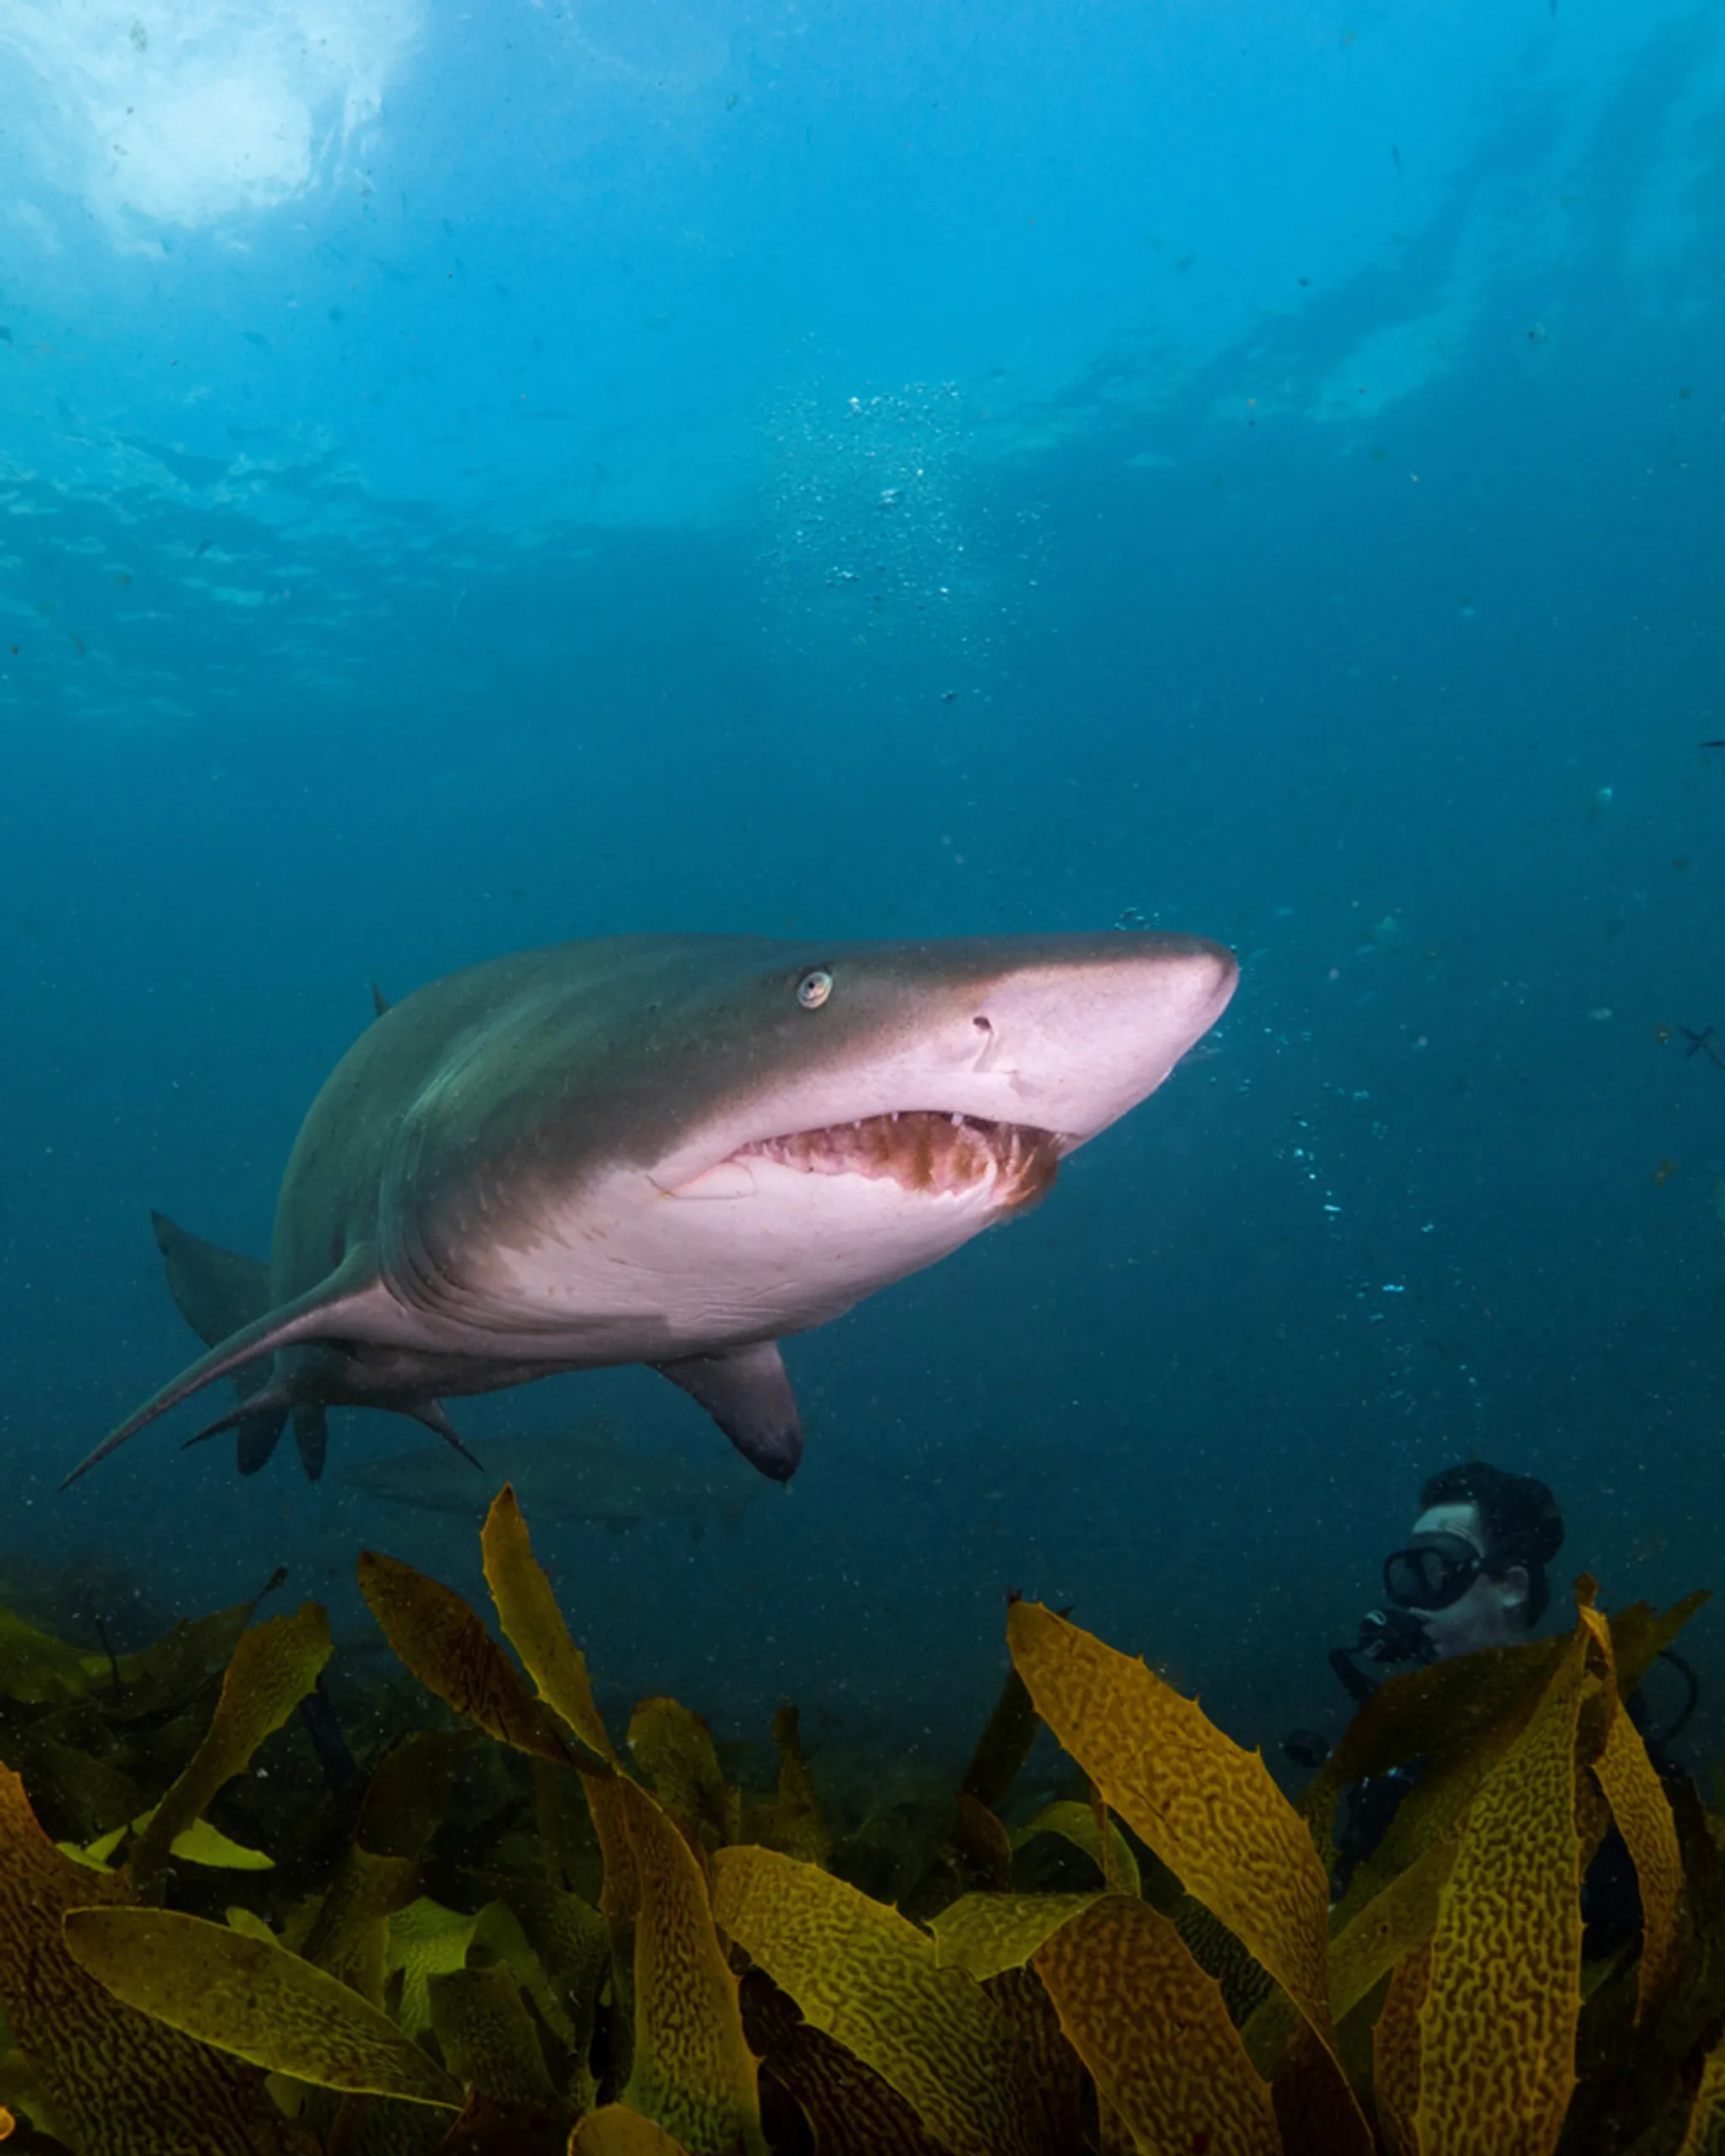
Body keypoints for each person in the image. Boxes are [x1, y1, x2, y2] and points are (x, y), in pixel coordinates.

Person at [1322, 1460, 1566, 1896]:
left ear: (1512, 1586)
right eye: (1411, 1574)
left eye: (1437, 1570)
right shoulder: (1409, 1733)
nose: (1414, 1603)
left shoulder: (1586, 1721)